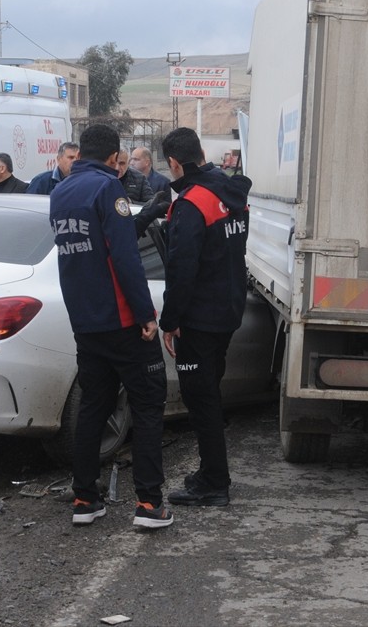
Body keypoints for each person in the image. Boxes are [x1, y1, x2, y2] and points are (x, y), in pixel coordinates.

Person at [49, 124, 173, 530]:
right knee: (149, 405)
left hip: (86, 322)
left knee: (93, 407)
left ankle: (85, 497)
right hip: (122, 321)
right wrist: (146, 315)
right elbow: (124, 258)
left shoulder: (60, 192)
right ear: (114, 159)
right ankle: (150, 504)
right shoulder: (108, 190)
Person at [158, 127, 252, 508]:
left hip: (199, 317)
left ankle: (214, 482)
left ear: (175, 163)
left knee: (201, 400)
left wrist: (170, 320)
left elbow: (182, 269)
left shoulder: (192, 203)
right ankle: (211, 473)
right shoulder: (231, 194)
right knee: (209, 394)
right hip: (228, 309)